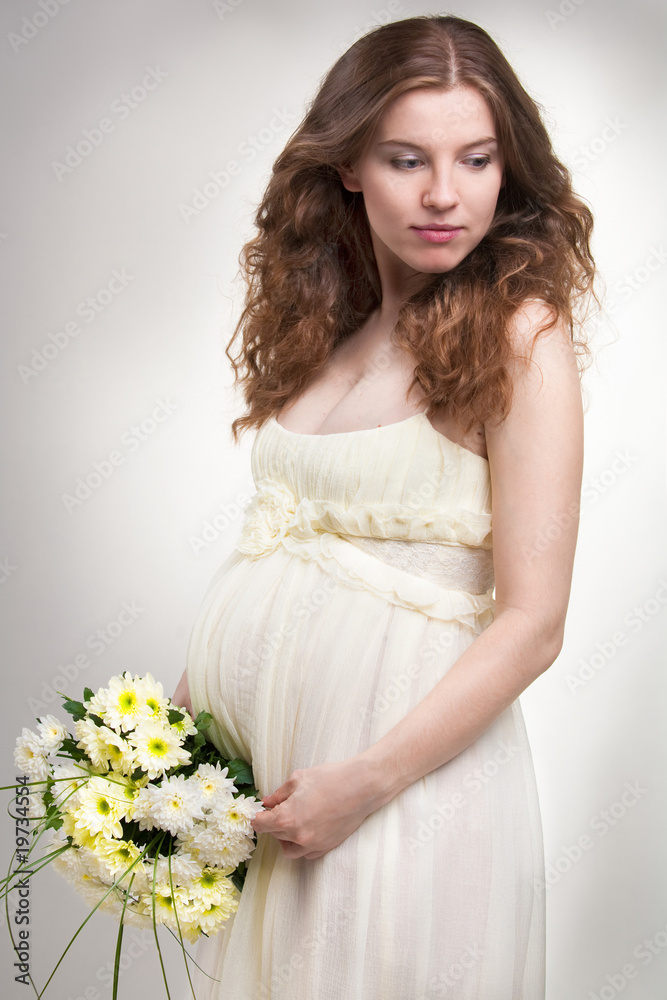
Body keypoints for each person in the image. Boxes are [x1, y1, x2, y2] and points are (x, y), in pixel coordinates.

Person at [172, 13, 597, 999]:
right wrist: (160, 742)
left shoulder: (519, 333)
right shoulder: (329, 330)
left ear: (508, 168)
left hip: (397, 795)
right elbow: (279, 553)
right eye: (407, 160)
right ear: (348, 166)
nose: (445, 194)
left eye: (476, 159)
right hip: (283, 802)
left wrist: (360, 784)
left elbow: (534, 624)